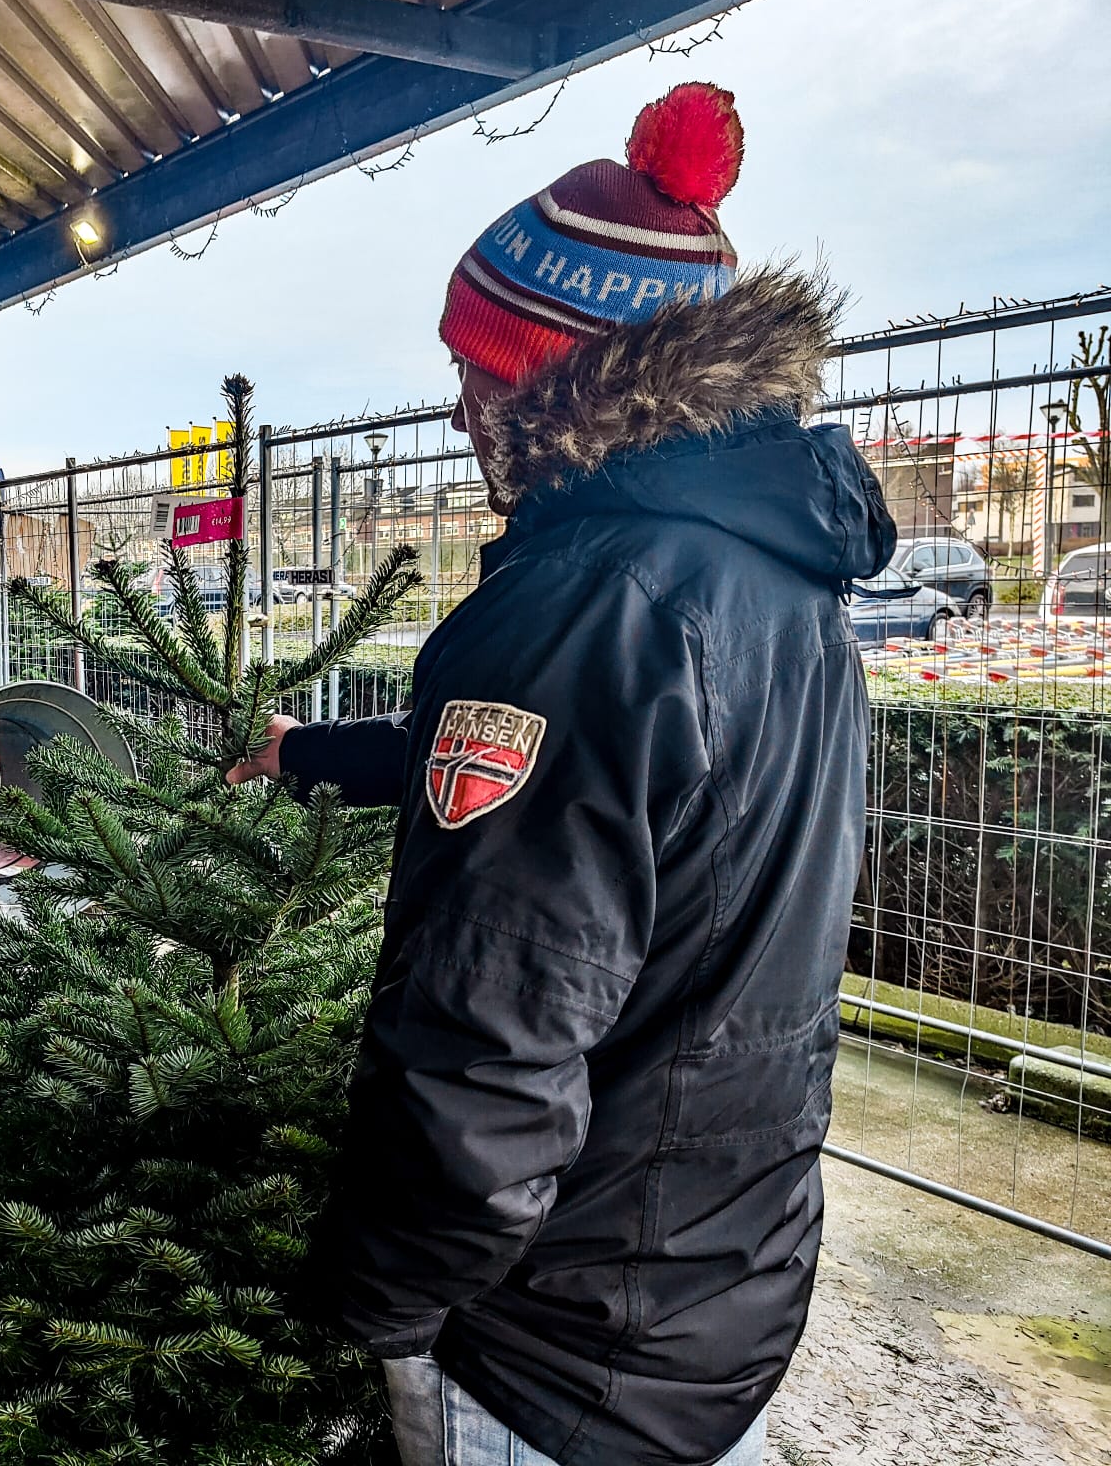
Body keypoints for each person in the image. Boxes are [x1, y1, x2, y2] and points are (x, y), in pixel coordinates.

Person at [227, 84, 894, 1466]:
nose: (457, 397)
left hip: (552, 1346)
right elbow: (613, 795)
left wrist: (371, 1312)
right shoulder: (773, 579)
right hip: (723, 1287)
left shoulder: (572, 606)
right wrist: (307, 753)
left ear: (549, 381)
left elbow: (490, 1049)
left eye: (476, 363)